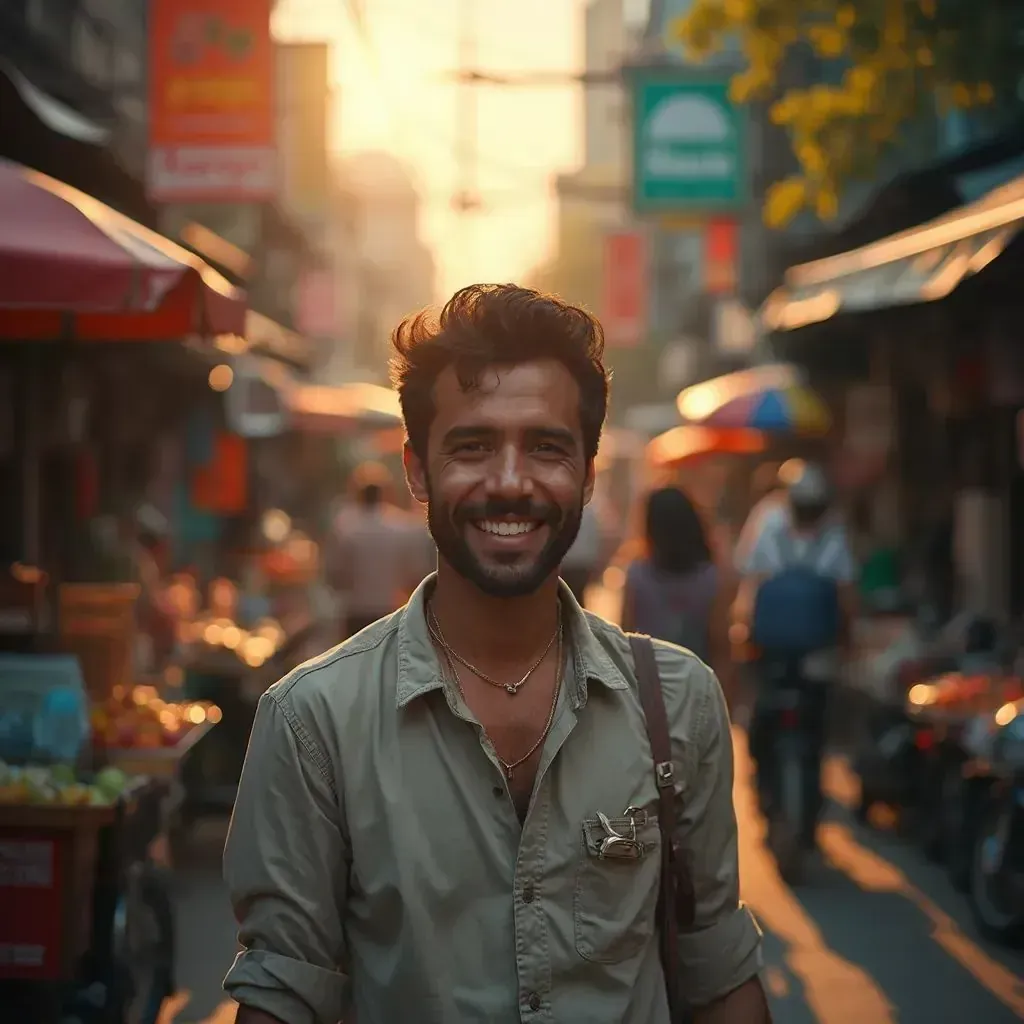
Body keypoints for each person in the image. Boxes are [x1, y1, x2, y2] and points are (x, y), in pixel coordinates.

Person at [223, 284, 767, 1024]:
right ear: (417, 470)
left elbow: (718, 975)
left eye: (547, 447)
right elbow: (283, 995)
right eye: (473, 446)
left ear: (587, 472)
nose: (510, 483)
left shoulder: (676, 701)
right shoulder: (313, 721)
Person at [737, 459, 857, 850]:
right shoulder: (833, 534)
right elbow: (846, 598)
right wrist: (847, 642)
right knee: (815, 727)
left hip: (771, 650)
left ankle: (769, 801)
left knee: (765, 728)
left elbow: (749, 585)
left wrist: (744, 632)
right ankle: (803, 814)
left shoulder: (767, 524)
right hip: (815, 654)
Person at [621, 486, 736, 706]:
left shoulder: (637, 576)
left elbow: (624, 639)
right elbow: (721, 644)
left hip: (647, 695)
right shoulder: (711, 578)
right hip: (697, 692)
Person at [326, 461, 434, 638]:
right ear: (385, 493)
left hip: (356, 611)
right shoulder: (403, 527)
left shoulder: (346, 528)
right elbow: (415, 573)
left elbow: (335, 575)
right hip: (392, 610)